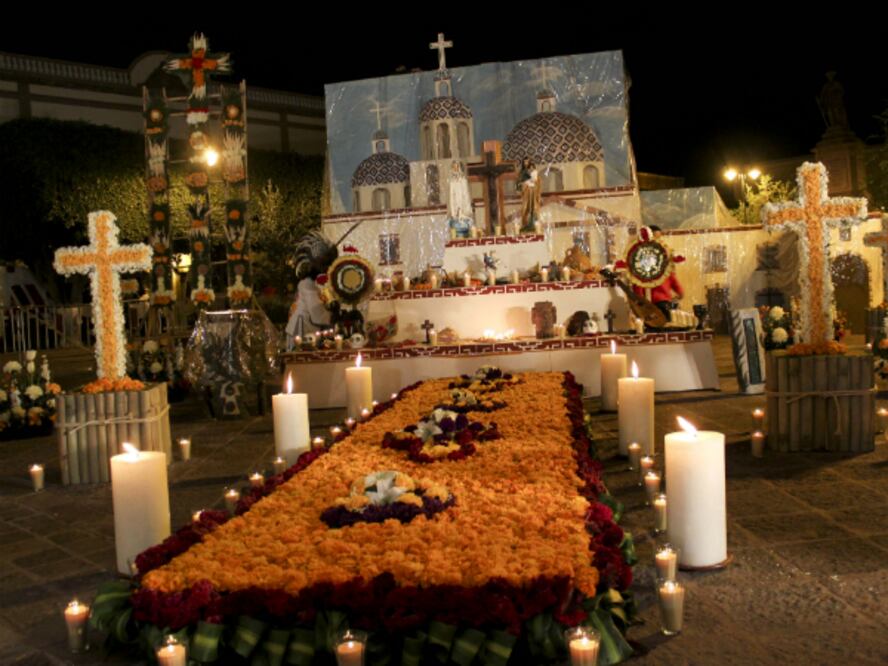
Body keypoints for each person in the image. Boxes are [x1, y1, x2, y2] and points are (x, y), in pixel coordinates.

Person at [632, 225, 684, 318]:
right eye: (656, 238)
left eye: (660, 238)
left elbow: (672, 278)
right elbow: (638, 283)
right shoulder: (642, 259)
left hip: (664, 302)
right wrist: (641, 302)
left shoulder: (663, 258)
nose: (659, 242)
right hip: (650, 304)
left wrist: (679, 292)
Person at [447, 161, 474, 238]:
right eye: (454, 167)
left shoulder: (464, 181)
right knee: (456, 225)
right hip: (456, 209)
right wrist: (453, 212)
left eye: (457, 167)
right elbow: (451, 198)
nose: (455, 169)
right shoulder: (452, 182)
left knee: (466, 223)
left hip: (464, 207)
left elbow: (466, 195)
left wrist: (467, 209)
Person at [517, 157, 541, 232]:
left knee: (534, 207)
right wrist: (524, 185)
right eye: (525, 162)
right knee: (525, 208)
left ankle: (533, 224)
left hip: (533, 192)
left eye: (527, 162)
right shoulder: (521, 173)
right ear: (523, 163)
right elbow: (519, 184)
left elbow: (537, 182)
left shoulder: (533, 171)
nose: (526, 163)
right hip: (526, 193)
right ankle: (525, 224)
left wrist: (535, 183)